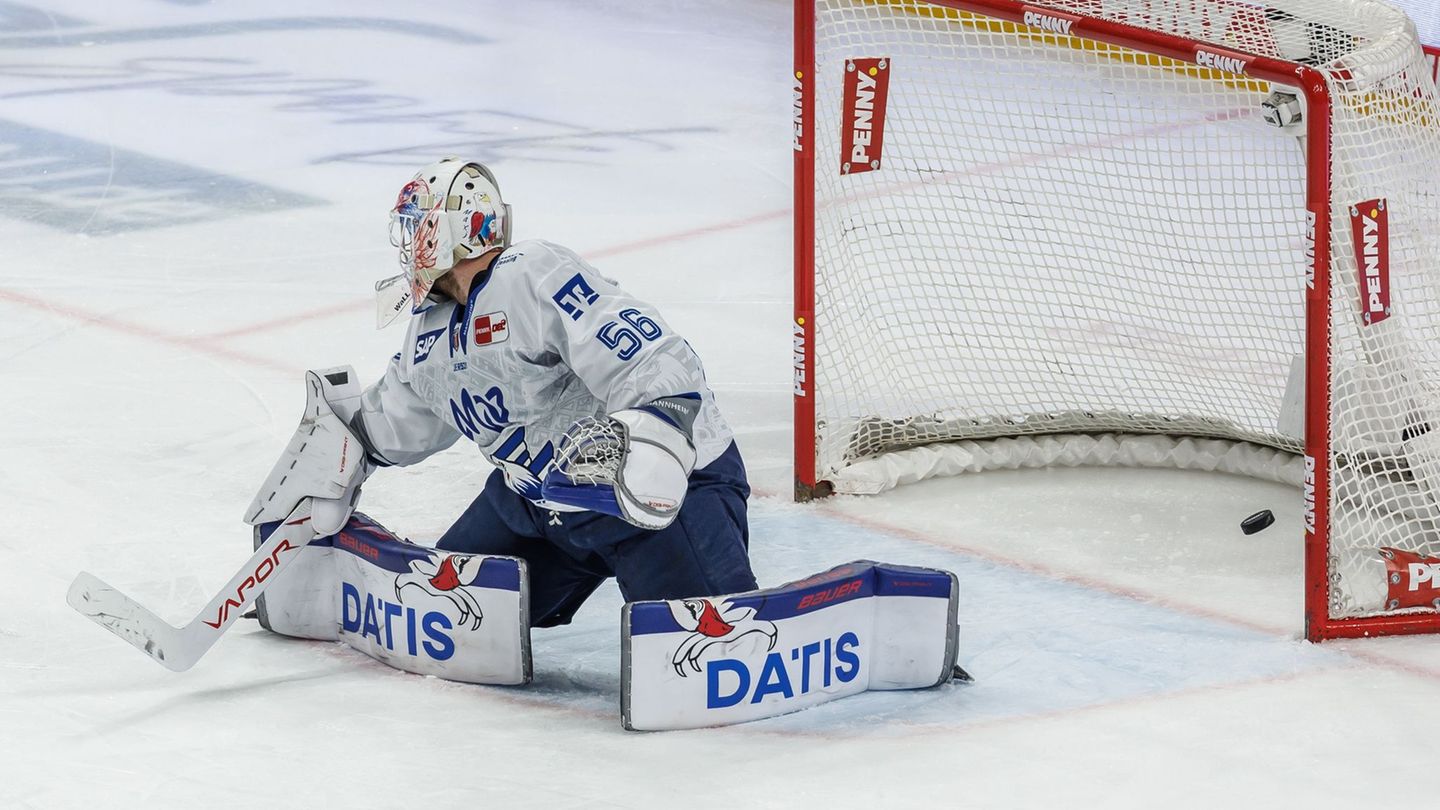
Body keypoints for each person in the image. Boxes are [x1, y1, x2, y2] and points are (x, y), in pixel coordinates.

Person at [345, 156, 757, 628]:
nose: (410, 242)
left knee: (706, 641)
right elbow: (395, 419)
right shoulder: (429, 328)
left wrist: (657, 440)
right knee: (440, 616)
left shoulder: (531, 274)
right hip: (537, 503)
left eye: (419, 227)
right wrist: (330, 464)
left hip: (659, 494)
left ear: (455, 227)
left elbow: (650, 356)